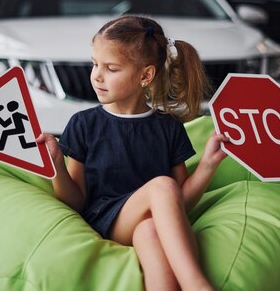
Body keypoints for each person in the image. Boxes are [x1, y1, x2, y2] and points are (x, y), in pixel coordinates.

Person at [36, 15, 228, 291]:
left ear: (145, 75)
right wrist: (57, 166)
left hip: (146, 225)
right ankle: (197, 285)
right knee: (163, 185)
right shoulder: (84, 124)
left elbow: (180, 204)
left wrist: (208, 164)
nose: (97, 76)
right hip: (106, 220)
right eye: (94, 64)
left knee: (150, 230)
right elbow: (76, 201)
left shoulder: (168, 127)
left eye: (111, 68)